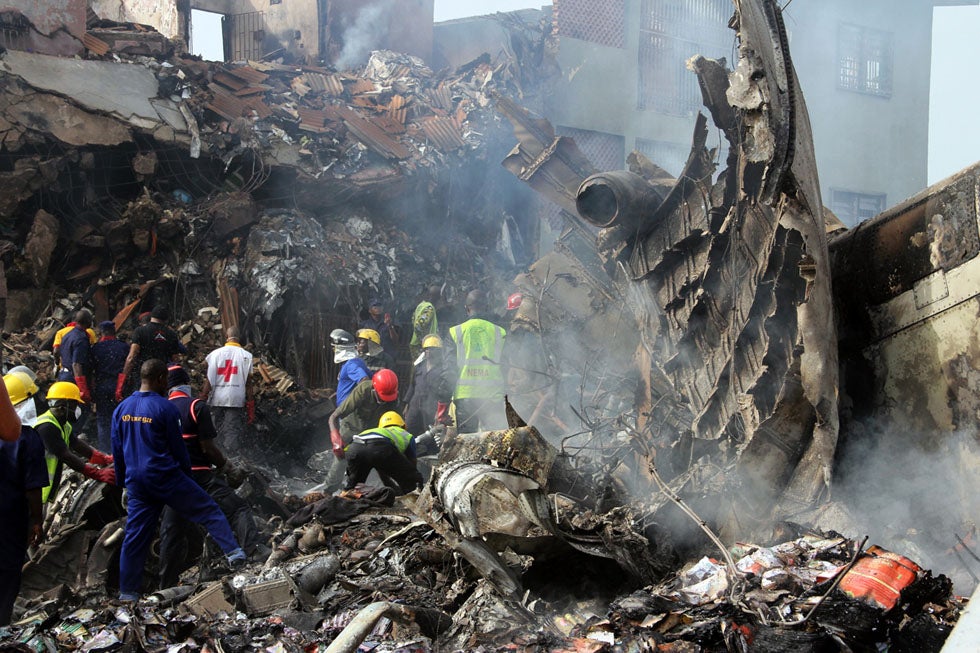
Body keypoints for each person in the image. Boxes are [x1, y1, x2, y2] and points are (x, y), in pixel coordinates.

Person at [112, 359, 245, 601]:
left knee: (135, 537)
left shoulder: (121, 409)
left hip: (137, 483)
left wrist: (123, 484)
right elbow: (178, 449)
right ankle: (236, 556)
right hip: (165, 476)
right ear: (162, 379)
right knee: (209, 511)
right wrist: (186, 478)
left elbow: (117, 450)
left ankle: (127, 594)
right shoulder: (165, 409)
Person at [158, 365, 266, 587]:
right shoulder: (196, 406)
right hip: (200, 477)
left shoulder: (159, 409)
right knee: (237, 508)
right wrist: (227, 466)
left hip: (172, 481)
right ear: (186, 384)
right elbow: (207, 448)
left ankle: (165, 585)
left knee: (172, 530)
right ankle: (252, 551)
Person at [34, 382, 115, 504]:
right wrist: (96, 473)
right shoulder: (47, 427)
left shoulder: (62, 424)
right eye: (75, 404)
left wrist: (101, 458)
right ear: (62, 406)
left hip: (41, 486)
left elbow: (75, 443)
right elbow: (65, 455)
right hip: (32, 487)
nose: (77, 408)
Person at [0, 421, 46, 625]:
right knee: (7, 573)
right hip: (9, 517)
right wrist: (37, 519)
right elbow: (33, 487)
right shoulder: (25, 436)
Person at [324, 369, 399, 491]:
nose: (384, 401)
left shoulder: (392, 396)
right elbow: (334, 417)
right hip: (351, 429)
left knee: (377, 460)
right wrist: (335, 436)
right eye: (382, 397)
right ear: (374, 389)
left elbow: (394, 422)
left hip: (371, 433)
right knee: (341, 461)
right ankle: (328, 491)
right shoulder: (363, 390)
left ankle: (354, 490)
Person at [448, 289, 508, 431]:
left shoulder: (456, 332)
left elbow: (449, 372)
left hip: (465, 398)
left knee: (467, 444)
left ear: (466, 309)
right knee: (494, 442)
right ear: (487, 308)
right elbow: (507, 366)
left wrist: (443, 402)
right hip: (493, 397)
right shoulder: (500, 333)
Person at [202, 326, 254, 451]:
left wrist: (202, 396)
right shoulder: (247, 356)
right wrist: (251, 404)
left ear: (226, 337)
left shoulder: (214, 354)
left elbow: (209, 379)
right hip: (236, 397)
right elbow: (249, 383)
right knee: (231, 429)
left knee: (213, 428)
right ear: (239, 338)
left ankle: (213, 454)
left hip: (217, 397)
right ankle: (230, 457)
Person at [118, 305, 186, 401]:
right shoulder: (171, 334)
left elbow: (131, 357)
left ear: (152, 316)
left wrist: (123, 379)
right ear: (166, 319)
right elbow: (175, 359)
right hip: (162, 379)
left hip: (142, 377)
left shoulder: (140, 331)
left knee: (140, 403)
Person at [344, 411, 422, 495]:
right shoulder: (406, 435)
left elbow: (381, 466)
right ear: (403, 425)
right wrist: (414, 479)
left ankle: (342, 501)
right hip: (379, 447)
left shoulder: (377, 431)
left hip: (354, 447)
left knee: (353, 487)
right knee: (413, 478)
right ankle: (415, 500)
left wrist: (393, 488)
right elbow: (412, 463)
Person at [90, 321, 130, 453]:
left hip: (101, 386)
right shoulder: (123, 347)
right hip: (119, 386)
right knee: (122, 418)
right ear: (114, 332)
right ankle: (123, 449)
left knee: (103, 420)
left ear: (101, 332)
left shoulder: (95, 348)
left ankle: (105, 452)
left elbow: (91, 370)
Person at [402, 335, 453, 436]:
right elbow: (412, 385)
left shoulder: (443, 370)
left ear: (438, 351)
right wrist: (407, 404)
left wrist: (440, 412)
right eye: (427, 349)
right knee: (408, 431)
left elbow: (446, 391)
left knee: (430, 434)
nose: (429, 352)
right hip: (415, 404)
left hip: (431, 406)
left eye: (432, 349)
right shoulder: (419, 367)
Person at [331, 329, 370, 406]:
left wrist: (352, 401)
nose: (333, 350)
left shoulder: (351, 365)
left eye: (334, 348)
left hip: (347, 412)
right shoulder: (357, 361)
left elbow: (365, 381)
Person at [409, 285, 441, 360]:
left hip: (416, 344)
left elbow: (413, 320)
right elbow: (418, 326)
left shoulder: (421, 305)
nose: (440, 298)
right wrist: (424, 341)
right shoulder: (430, 308)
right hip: (422, 346)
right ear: (435, 296)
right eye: (439, 295)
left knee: (417, 368)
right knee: (422, 369)